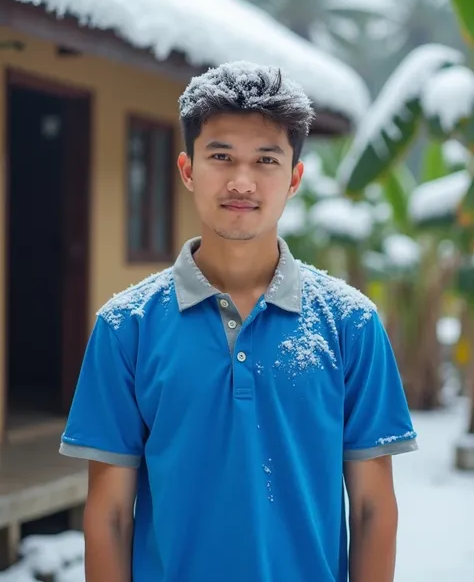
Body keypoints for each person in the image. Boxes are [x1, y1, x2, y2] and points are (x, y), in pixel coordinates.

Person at [60, 61, 418, 582]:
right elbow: (110, 515)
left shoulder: (350, 324)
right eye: (221, 156)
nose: (242, 181)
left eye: (266, 160)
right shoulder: (126, 328)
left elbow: (371, 509)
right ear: (187, 169)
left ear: (294, 177)